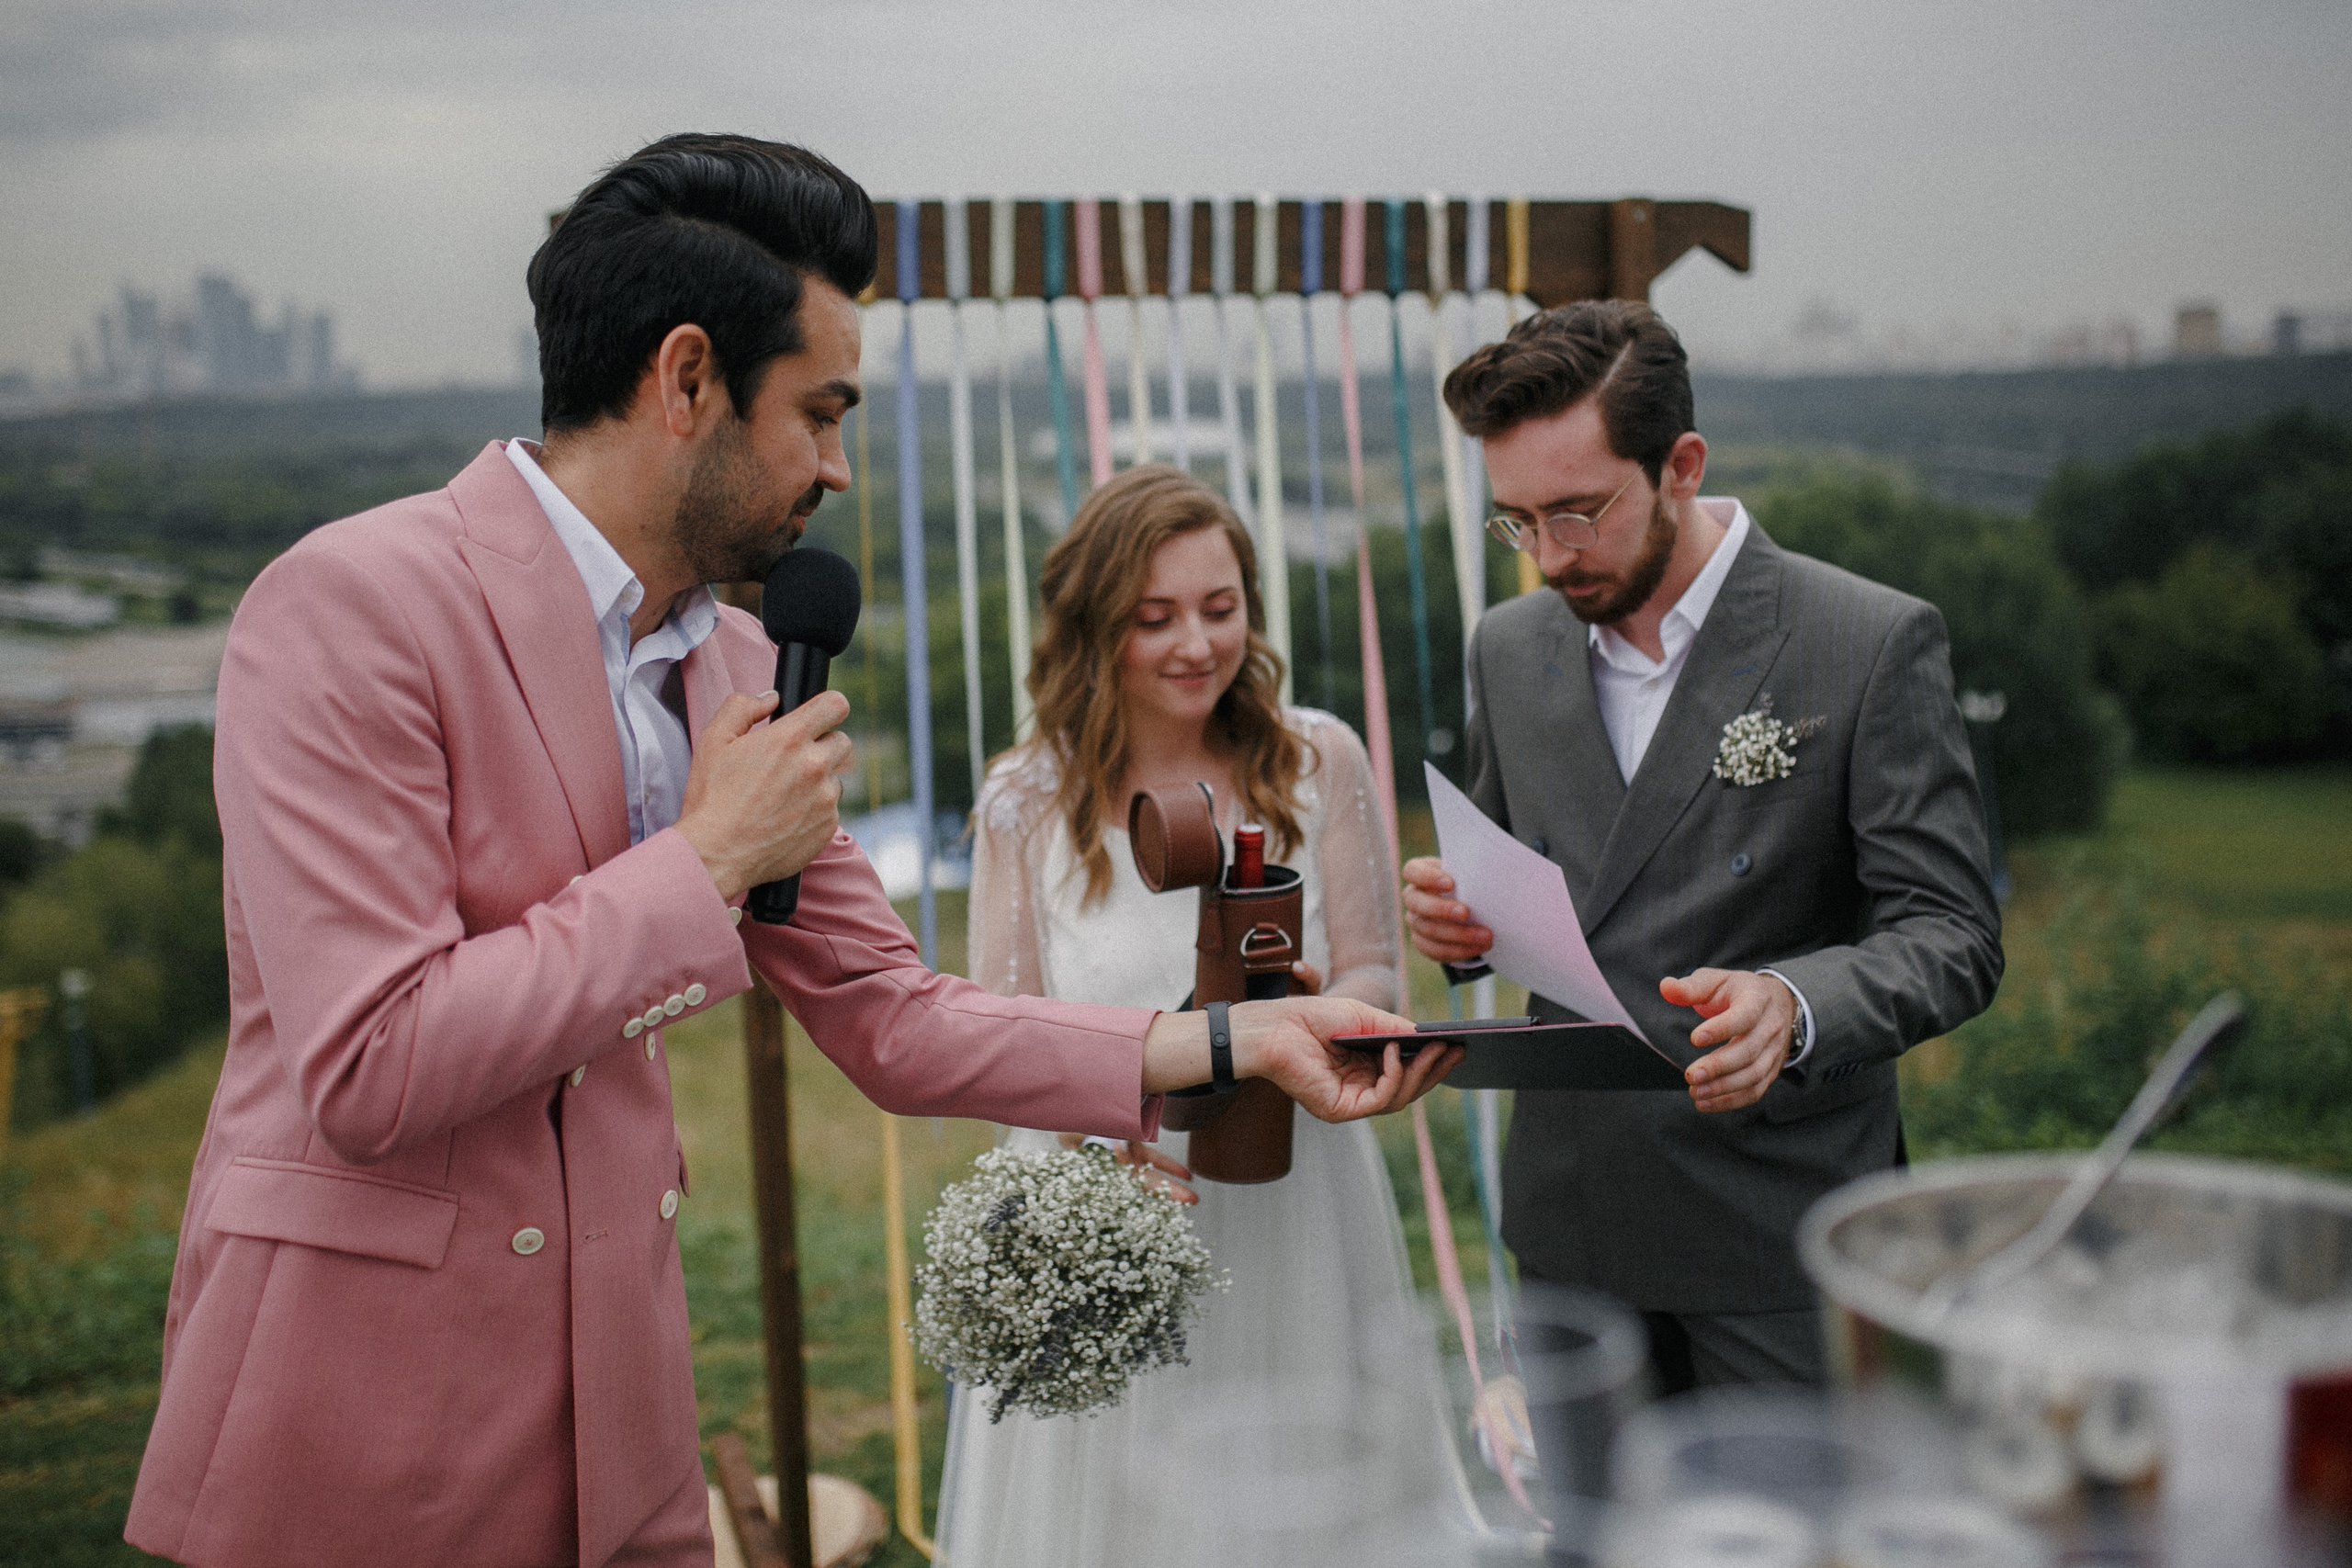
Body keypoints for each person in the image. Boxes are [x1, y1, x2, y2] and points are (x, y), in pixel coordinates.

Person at [125, 137, 1450, 1568]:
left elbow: (895, 1016)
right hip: (359, 1405)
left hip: (621, 1404)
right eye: (820, 412)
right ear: (688, 379)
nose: (837, 465)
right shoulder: (349, 604)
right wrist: (703, 859)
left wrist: (1240, 1035)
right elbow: (371, 1061)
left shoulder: (746, 659)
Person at [1403, 300, 2002, 1393]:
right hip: (1570, 1223)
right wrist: (1456, 928)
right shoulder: (1508, 647)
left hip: (1775, 1220)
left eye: (1577, 514)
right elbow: (1518, 881)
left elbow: (1953, 932)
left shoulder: (1866, 641)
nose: (1547, 558)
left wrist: (1796, 1003)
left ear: (1681, 465)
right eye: (1516, 522)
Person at [933, 466, 1462, 1567]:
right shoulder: (1027, 800)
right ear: (1094, 630)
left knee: (1306, 1488)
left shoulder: (1318, 760)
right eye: (1154, 618)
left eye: (1220, 609)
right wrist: (1091, 1143)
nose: (1195, 645)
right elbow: (998, 1037)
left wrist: (1328, 1016)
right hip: (1112, 1202)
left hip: (1293, 1193)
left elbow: (1374, 968)